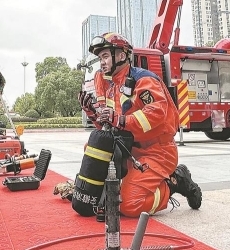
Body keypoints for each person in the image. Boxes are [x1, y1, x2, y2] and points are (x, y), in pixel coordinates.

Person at [79, 33, 200, 217]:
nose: (101, 62)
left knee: (129, 205)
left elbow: (157, 113)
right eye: (100, 58)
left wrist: (121, 120)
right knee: (93, 148)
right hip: (129, 150)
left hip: (157, 152)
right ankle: (130, 183)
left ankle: (174, 183)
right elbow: (108, 129)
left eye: (105, 56)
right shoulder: (112, 87)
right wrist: (92, 113)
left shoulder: (143, 80)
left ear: (121, 55)